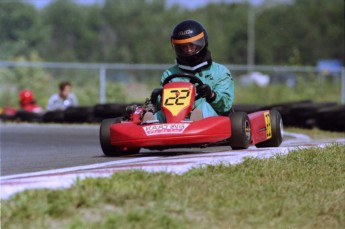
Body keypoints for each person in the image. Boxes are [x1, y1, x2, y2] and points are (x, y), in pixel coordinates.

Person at [149, 19, 234, 122]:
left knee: (203, 107)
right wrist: (156, 98)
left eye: (192, 45)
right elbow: (162, 105)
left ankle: (196, 121)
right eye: (184, 47)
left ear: (202, 43)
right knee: (158, 115)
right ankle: (149, 124)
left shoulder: (219, 72)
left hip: (211, 119)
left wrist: (211, 95)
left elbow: (226, 105)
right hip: (175, 119)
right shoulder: (169, 74)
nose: (188, 50)